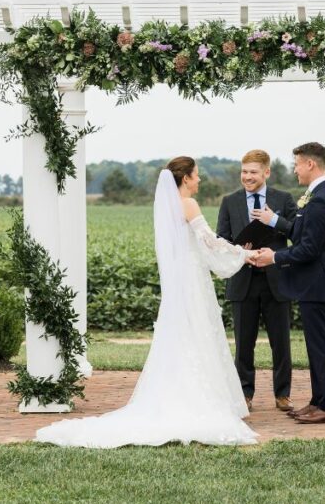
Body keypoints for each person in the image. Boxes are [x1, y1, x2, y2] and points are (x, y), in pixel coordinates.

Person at [36, 157, 259, 448]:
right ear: (185, 178)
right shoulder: (188, 204)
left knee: (181, 337)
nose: (199, 180)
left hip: (179, 282)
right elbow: (209, 242)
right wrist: (243, 255)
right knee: (197, 334)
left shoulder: (167, 208)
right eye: (196, 175)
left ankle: (176, 395)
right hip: (191, 281)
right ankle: (199, 400)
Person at [252, 142, 325, 425]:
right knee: (315, 345)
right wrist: (275, 221)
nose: (294, 170)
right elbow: (301, 231)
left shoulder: (320, 199)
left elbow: (309, 249)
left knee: (320, 346)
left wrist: (274, 258)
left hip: (315, 282)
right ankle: (318, 401)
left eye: (296, 165)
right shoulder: (316, 195)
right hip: (311, 283)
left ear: (310, 165)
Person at [216, 149, 297, 412]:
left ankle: (282, 394)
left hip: (277, 280)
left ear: (266, 172)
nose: (247, 177)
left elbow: (297, 233)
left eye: (253, 172)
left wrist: (275, 220)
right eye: (244, 172)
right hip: (243, 280)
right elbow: (222, 239)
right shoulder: (230, 201)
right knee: (243, 342)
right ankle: (244, 393)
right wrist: (241, 251)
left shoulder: (283, 199)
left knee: (281, 341)